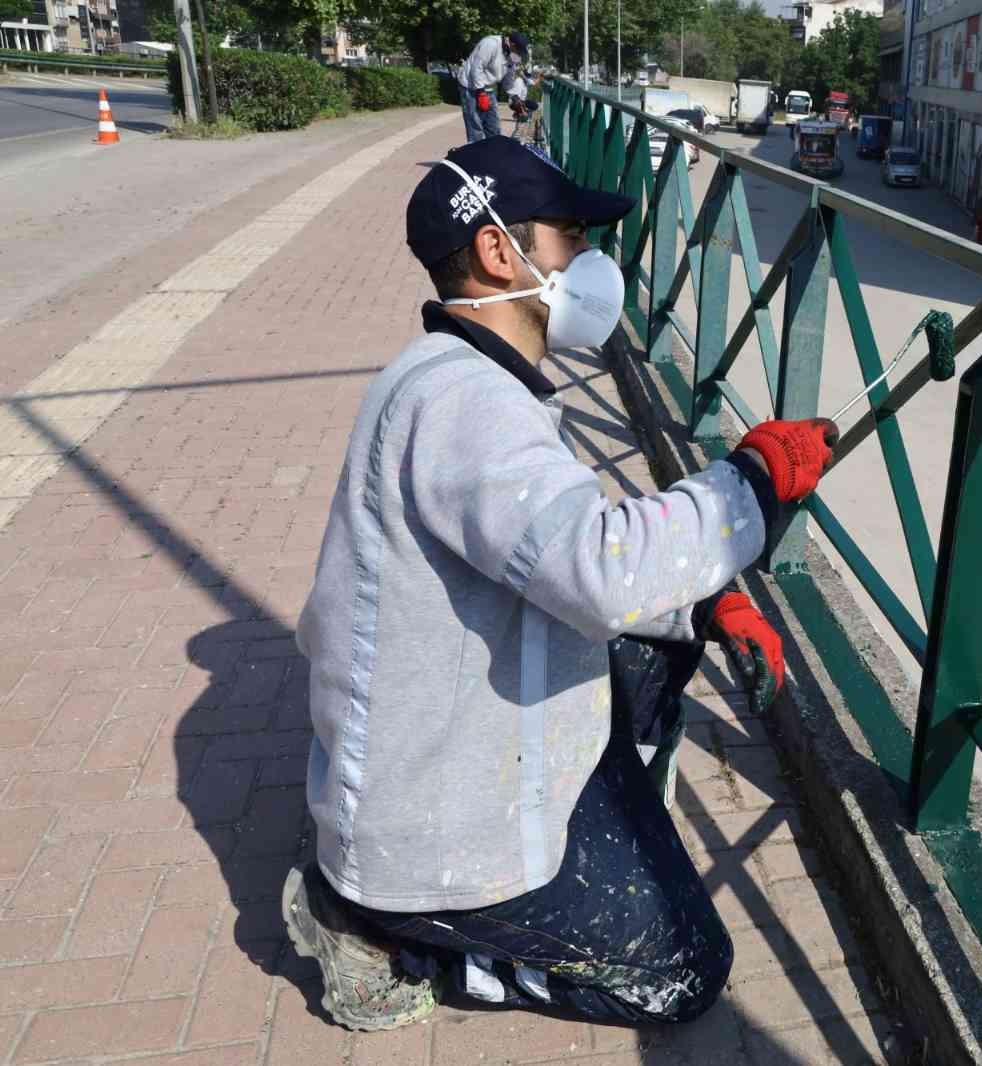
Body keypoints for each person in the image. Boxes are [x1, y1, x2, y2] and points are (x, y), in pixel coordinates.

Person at [281, 136, 839, 1032]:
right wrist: (751, 486)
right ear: (502, 252)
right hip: (426, 829)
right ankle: (376, 932)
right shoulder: (466, 404)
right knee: (682, 972)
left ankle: (586, 822)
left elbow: (564, 550)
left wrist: (699, 597)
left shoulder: (467, 381)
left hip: (465, 754)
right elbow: (596, 571)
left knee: (663, 625)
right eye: (572, 236)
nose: (592, 262)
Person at [458, 32, 530, 143]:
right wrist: (480, 92)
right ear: (512, 44)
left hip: (488, 88)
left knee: (494, 128)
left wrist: (515, 97)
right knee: (476, 127)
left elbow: (509, 78)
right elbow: (476, 69)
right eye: (518, 50)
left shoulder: (513, 54)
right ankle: (476, 158)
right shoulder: (490, 44)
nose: (518, 53)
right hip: (470, 86)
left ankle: (493, 155)